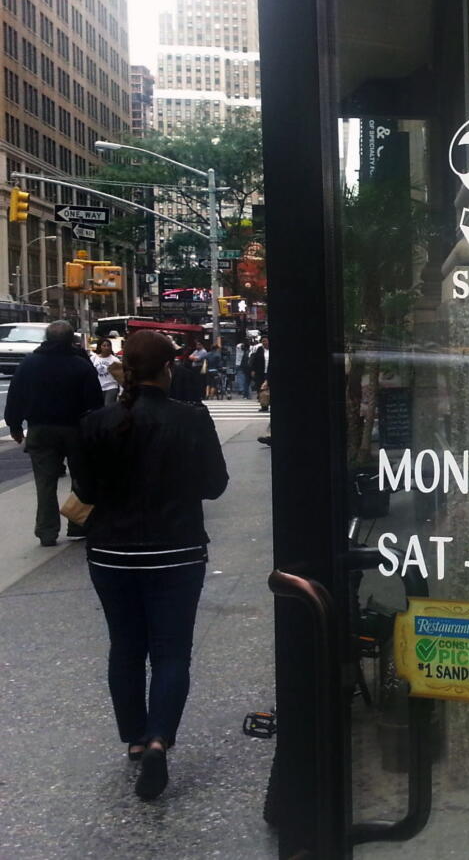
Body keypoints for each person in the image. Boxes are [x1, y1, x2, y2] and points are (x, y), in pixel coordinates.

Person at [74, 330, 229, 801]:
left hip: (111, 554)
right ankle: (161, 738)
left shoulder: (96, 423)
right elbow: (215, 485)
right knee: (171, 652)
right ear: (168, 369)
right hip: (177, 551)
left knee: (125, 646)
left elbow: (87, 490)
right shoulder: (192, 419)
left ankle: (136, 739)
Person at [2, 320, 102, 545]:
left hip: (40, 429)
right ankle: (78, 524)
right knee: (81, 479)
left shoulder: (29, 364)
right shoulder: (81, 366)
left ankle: (46, 532)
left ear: (46, 339)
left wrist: (15, 426)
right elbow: (95, 403)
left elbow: (16, 397)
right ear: (71, 341)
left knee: (45, 483)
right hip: (76, 430)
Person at [90, 338, 122, 406]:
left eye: (108, 345)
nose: (106, 348)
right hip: (99, 387)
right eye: (104, 346)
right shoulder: (93, 358)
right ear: (100, 347)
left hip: (111, 386)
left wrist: (121, 391)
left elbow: (120, 376)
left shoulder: (114, 360)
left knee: (108, 406)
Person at [250, 335, 270, 412]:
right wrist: (253, 370)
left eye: (265, 341)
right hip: (261, 372)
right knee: (261, 389)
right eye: (263, 341)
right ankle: (264, 405)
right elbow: (254, 360)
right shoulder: (259, 350)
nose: (264, 343)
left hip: (269, 372)